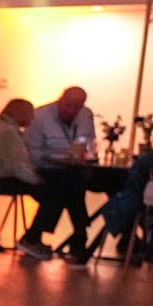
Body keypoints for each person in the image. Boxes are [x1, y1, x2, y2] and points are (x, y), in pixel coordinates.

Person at [16, 87, 97, 263]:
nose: (71, 111)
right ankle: (80, 239)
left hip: (72, 171)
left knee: (71, 185)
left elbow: (89, 144)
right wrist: (60, 158)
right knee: (68, 186)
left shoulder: (86, 116)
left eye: (77, 106)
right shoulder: (40, 116)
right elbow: (31, 151)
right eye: (68, 105)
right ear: (60, 99)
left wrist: (82, 155)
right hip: (43, 169)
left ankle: (33, 236)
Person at [0, 99, 42, 186]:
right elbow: (16, 167)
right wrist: (36, 180)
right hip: (0, 178)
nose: (33, 117)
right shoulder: (7, 132)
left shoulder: (1, 127)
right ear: (19, 112)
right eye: (30, 113)